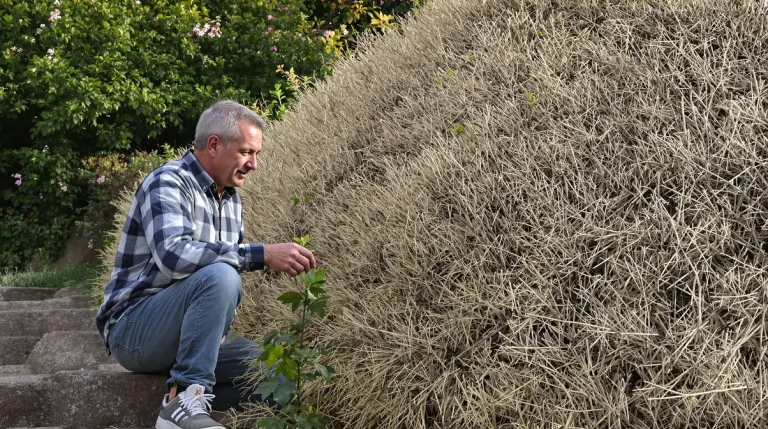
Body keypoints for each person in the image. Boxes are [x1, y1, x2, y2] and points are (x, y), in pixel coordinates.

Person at [95, 100, 316, 429]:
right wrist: (262, 253)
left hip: (192, 339)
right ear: (214, 144)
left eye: (256, 154)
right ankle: (183, 397)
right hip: (134, 332)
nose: (254, 164)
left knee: (285, 377)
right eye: (246, 152)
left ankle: (190, 399)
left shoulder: (230, 199)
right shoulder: (168, 182)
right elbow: (173, 256)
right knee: (222, 275)